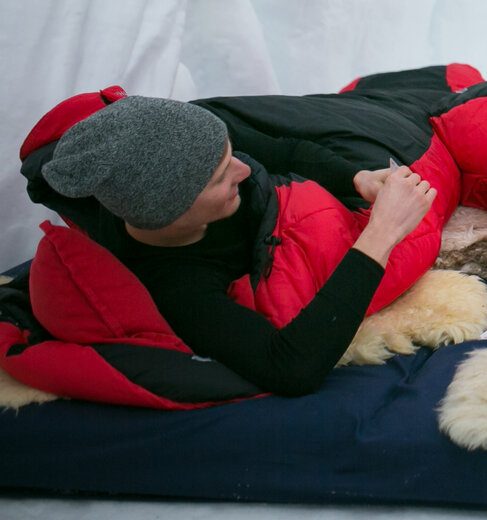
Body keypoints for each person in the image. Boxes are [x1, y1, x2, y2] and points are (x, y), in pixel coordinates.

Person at [40, 95, 440, 396]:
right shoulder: (177, 286)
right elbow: (290, 368)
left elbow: (285, 150)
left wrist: (357, 177)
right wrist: (380, 236)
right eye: (219, 178)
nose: (245, 170)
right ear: (174, 211)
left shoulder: (198, 144)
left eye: (231, 154)